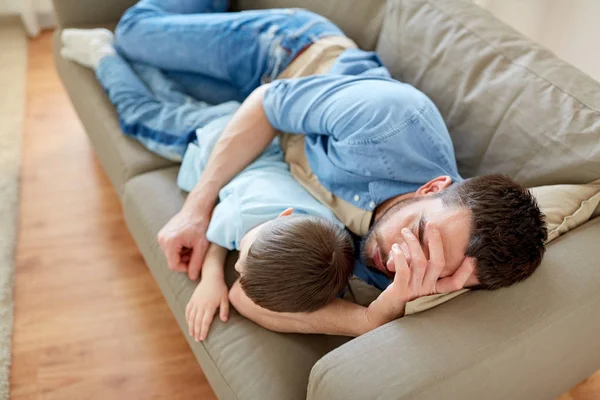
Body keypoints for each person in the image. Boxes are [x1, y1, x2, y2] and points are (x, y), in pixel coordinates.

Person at [63, 0, 548, 337]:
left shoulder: (407, 278)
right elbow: (268, 107)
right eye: (417, 234)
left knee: (147, 85)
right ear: (434, 186)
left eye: (432, 271)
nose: (399, 259)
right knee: (134, 32)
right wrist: (196, 206)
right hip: (285, 60)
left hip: (267, 140)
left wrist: (373, 316)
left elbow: (255, 298)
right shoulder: (389, 118)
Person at [60, 30, 357, 342]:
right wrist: (211, 276)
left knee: (169, 95)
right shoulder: (239, 218)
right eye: (242, 257)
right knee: (139, 113)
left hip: (245, 131)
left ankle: (131, 57)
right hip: (209, 139)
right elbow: (216, 240)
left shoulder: (327, 227)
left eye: (239, 268)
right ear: (282, 217)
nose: (238, 265)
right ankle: (104, 53)